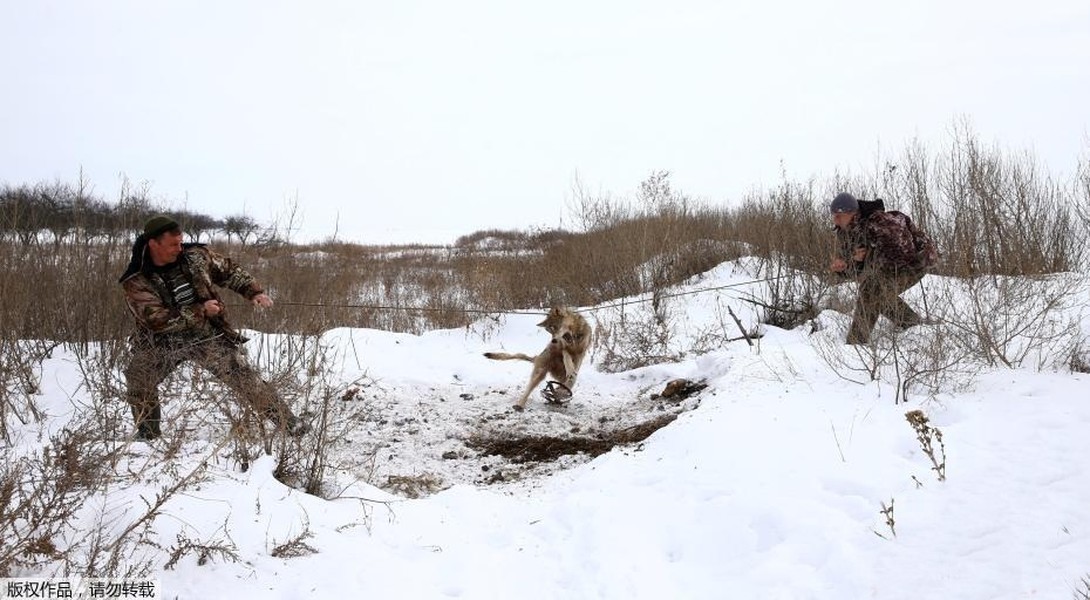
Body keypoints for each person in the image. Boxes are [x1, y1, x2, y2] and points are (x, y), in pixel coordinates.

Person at [118, 215, 309, 440]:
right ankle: (148, 436)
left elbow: (228, 271)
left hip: (205, 334)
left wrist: (254, 292)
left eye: (180, 242)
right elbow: (156, 320)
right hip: (160, 340)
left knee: (243, 377)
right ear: (153, 244)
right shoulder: (136, 280)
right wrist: (201, 310)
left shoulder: (196, 256)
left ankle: (290, 424)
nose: (179, 248)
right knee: (139, 378)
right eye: (173, 244)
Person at [829, 192, 936, 345]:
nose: (835, 220)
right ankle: (913, 324)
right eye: (833, 216)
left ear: (852, 213)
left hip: (915, 261)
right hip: (888, 266)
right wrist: (845, 266)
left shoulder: (881, 222)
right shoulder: (845, 234)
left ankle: (855, 344)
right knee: (879, 293)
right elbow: (857, 271)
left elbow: (903, 253)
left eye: (838, 216)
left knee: (872, 290)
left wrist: (868, 258)